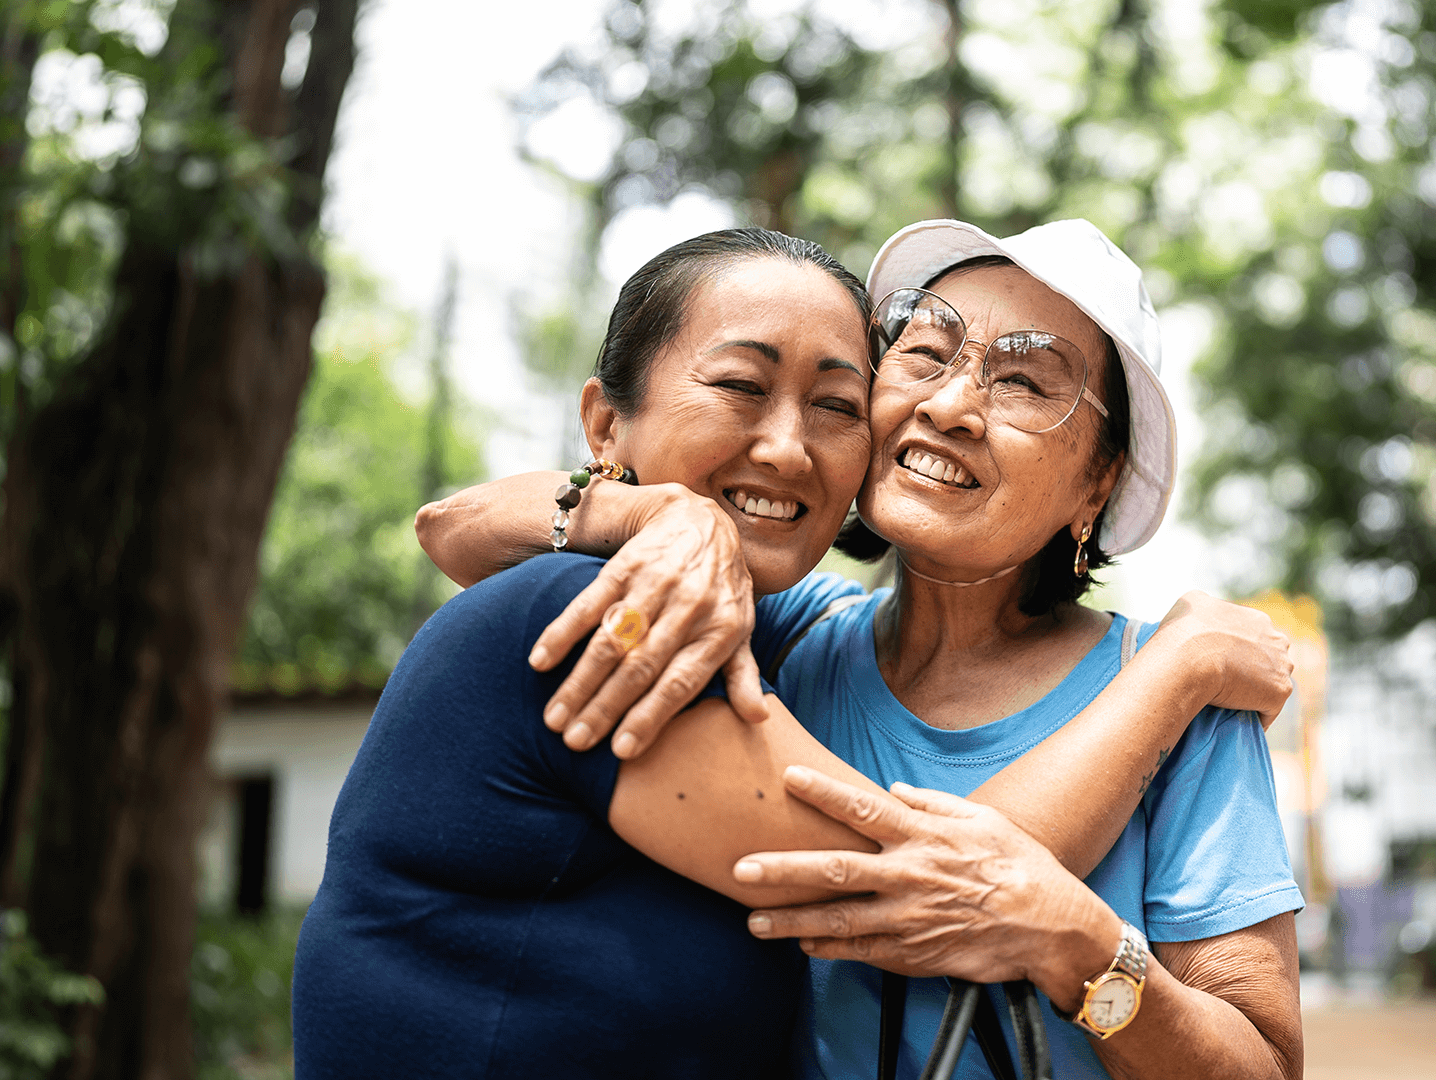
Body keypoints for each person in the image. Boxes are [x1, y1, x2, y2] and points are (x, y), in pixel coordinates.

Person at [297, 226, 1295, 1079]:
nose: (952, 405)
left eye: (1026, 382)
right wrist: (653, 513)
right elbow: (454, 526)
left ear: (1097, 488)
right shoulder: (757, 627)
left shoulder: (1183, 717)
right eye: (925, 354)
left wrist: (1091, 956)